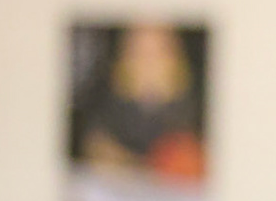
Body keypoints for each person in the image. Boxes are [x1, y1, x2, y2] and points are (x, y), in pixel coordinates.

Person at [77, 22, 205, 182]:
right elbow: (97, 151)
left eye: (158, 51)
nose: (148, 60)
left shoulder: (196, 107)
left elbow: (188, 166)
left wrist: (134, 166)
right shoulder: (105, 98)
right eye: (139, 51)